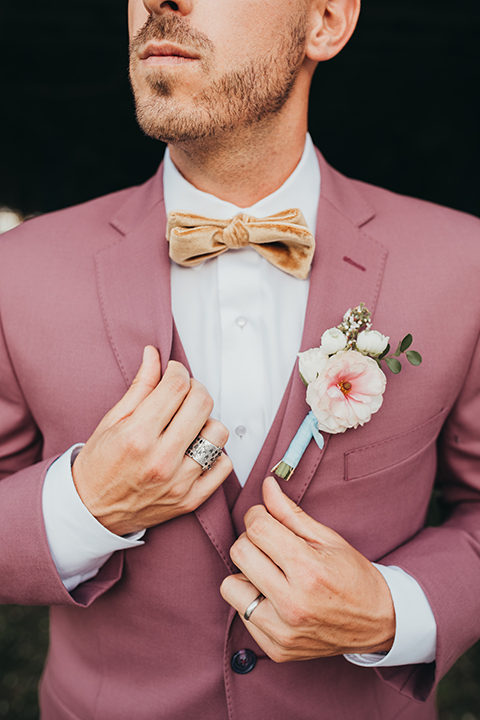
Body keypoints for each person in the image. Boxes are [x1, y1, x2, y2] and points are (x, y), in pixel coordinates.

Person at [0, 0, 479, 717]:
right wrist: (79, 509)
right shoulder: (15, 271)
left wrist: (395, 609)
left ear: (325, 21)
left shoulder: (462, 264)